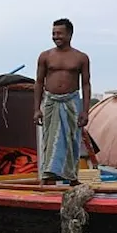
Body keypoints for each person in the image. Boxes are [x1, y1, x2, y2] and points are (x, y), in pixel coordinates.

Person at [33, 18, 92, 185]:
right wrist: (36, 109)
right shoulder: (45, 56)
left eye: (59, 33)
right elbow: (38, 82)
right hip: (51, 100)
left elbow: (86, 84)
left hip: (72, 101)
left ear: (69, 34)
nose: (56, 36)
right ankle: (48, 177)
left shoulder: (81, 58)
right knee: (50, 140)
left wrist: (85, 110)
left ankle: (72, 178)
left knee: (72, 139)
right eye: (53, 33)